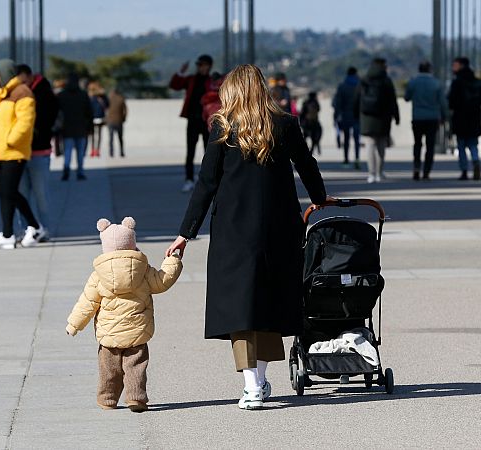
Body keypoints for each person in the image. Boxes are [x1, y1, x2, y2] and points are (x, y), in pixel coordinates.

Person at [166, 65, 328, 410]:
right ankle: (261, 380)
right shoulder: (284, 124)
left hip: (233, 231)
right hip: (279, 227)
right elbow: (306, 163)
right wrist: (319, 197)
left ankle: (252, 385)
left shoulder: (224, 127)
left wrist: (185, 233)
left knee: (242, 307)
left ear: (232, 91)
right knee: (268, 302)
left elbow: (207, 183)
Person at [66, 217, 183, 413]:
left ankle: (107, 399)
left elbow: (87, 303)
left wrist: (73, 325)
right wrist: (173, 261)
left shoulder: (98, 276)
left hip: (108, 334)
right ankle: (136, 398)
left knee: (108, 370)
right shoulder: (143, 270)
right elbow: (162, 282)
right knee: (136, 366)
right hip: (137, 331)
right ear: (132, 242)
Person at [0, 58, 43, 250]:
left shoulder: (22, 92)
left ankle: (29, 227)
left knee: (9, 192)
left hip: (12, 152)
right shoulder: (3, 93)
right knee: (5, 193)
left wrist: (10, 140)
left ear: (4, 72)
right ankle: (10, 232)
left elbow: (25, 122)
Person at [16, 64, 58, 240]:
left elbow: (48, 118)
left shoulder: (44, 92)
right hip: (21, 152)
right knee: (22, 195)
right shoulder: (20, 92)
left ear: (29, 76)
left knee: (41, 195)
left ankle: (44, 229)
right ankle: (26, 230)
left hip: (39, 150)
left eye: (22, 79)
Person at [169, 54, 213, 192]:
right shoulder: (191, 80)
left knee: (210, 152)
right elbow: (174, 85)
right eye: (199, 65)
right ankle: (189, 180)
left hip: (207, 121)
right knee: (190, 152)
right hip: (193, 120)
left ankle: (209, 180)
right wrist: (181, 72)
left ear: (209, 66)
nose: (201, 67)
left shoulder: (213, 81)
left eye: (203, 65)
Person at [354, 57, 399, 183]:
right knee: (381, 146)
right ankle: (379, 173)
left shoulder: (364, 80)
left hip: (367, 117)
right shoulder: (386, 81)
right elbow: (392, 100)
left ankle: (371, 174)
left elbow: (356, 99)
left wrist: (356, 115)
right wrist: (396, 116)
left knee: (370, 145)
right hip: (383, 118)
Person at [448, 57, 481, 181]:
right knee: (473, 144)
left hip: (460, 117)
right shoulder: (477, 82)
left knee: (461, 145)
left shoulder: (457, 82)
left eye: (455, 65)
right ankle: (476, 162)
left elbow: (451, 100)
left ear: (461, 66)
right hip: (474, 117)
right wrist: (476, 103)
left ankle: (464, 170)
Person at [404, 60, 445, 180]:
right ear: (430, 70)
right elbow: (442, 102)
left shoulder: (413, 82)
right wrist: (444, 116)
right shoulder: (436, 83)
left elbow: (406, 98)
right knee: (430, 145)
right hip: (432, 118)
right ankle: (426, 171)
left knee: (417, 143)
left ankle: (416, 168)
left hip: (417, 117)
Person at [57, 74, 93, 181]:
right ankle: (80, 172)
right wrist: (89, 127)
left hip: (67, 127)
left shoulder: (62, 95)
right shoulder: (83, 95)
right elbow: (89, 112)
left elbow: (57, 112)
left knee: (67, 151)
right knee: (80, 152)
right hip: (81, 127)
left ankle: (66, 170)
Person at [333, 67, 361, 169]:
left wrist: (336, 116)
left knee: (346, 138)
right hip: (357, 115)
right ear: (355, 73)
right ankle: (357, 159)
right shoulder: (360, 85)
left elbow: (338, 103)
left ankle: (346, 159)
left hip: (345, 115)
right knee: (357, 138)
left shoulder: (342, 86)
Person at [88, 80, 109, 157]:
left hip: (97, 117)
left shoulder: (99, 97)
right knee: (96, 135)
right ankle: (95, 150)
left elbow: (107, 105)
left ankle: (95, 150)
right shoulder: (93, 97)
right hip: (96, 117)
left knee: (96, 135)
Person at [107, 87, 127, 157]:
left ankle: (111, 152)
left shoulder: (109, 98)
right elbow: (125, 110)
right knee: (120, 138)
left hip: (110, 121)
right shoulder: (121, 98)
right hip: (119, 121)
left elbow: (105, 109)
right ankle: (121, 152)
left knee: (111, 138)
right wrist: (124, 118)